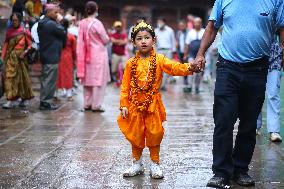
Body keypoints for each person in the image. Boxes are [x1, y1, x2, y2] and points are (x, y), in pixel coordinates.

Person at [194, 0, 284, 188]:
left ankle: (240, 169)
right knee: (223, 120)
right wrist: (200, 53)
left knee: (249, 123)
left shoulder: (275, 1)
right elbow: (212, 27)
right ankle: (221, 172)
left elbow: (282, 29)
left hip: (257, 68)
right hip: (228, 67)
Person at [117, 20, 201, 179]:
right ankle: (136, 163)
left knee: (155, 133)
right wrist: (123, 105)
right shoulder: (130, 64)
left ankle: (155, 164)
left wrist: (189, 67)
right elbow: (125, 86)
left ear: (153, 40)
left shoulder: (160, 59)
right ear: (134, 42)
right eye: (139, 38)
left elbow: (174, 68)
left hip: (152, 105)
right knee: (136, 135)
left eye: (147, 38)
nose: (143, 41)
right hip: (134, 105)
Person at [77, 1, 110, 112]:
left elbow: (79, 40)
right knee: (98, 80)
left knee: (87, 80)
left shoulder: (82, 23)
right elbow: (105, 39)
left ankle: (87, 104)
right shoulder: (97, 23)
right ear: (96, 10)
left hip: (85, 54)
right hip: (98, 54)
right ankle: (96, 105)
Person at [1, 12, 34, 109]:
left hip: (21, 60)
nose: (14, 22)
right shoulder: (9, 32)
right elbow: (5, 46)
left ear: (20, 20)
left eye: (16, 20)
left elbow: (30, 45)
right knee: (9, 78)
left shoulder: (24, 32)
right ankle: (10, 100)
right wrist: (2, 58)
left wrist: (24, 53)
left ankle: (23, 99)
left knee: (21, 80)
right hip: (10, 59)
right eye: (13, 20)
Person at [38, 3, 66, 110]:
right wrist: (60, 21)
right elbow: (63, 32)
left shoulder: (44, 22)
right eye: (55, 12)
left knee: (48, 79)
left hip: (48, 54)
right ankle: (45, 102)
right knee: (49, 80)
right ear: (48, 12)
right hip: (51, 55)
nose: (57, 14)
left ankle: (45, 101)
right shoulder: (50, 24)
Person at [257, 35, 283, 143]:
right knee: (255, 94)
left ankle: (274, 131)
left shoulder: (278, 17)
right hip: (255, 58)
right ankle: (254, 126)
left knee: (273, 95)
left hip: (275, 58)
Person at [56, 19, 76, 100]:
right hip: (68, 57)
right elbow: (74, 50)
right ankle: (69, 94)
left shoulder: (57, 36)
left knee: (57, 75)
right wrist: (75, 59)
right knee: (68, 75)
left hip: (58, 56)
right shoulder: (71, 36)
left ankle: (55, 93)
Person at [183, 17, 205, 93]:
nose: (197, 24)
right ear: (194, 24)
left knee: (199, 71)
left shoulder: (204, 32)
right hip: (191, 54)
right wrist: (185, 54)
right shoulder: (190, 32)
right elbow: (187, 44)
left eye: (198, 22)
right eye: (195, 22)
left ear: (201, 23)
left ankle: (197, 87)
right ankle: (189, 86)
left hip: (200, 54)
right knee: (190, 69)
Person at [154, 17, 176, 91]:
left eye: (160, 22)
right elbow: (153, 42)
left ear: (164, 22)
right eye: (158, 22)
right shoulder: (155, 31)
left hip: (168, 50)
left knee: (166, 68)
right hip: (159, 50)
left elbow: (173, 41)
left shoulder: (170, 30)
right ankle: (159, 84)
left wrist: (174, 52)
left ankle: (163, 85)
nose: (159, 24)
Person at [110, 21, 128, 85]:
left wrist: (117, 41)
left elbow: (125, 42)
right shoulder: (113, 34)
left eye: (119, 27)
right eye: (117, 27)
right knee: (114, 70)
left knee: (125, 68)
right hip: (115, 54)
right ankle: (117, 80)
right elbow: (113, 41)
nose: (118, 28)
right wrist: (120, 41)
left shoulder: (124, 34)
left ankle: (123, 80)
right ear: (115, 27)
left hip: (123, 54)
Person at [176, 20, 189, 91]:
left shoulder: (188, 32)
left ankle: (187, 80)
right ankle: (185, 80)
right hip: (180, 52)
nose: (181, 27)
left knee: (186, 66)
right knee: (182, 66)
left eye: (182, 25)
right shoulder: (178, 33)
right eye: (180, 26)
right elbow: (178, 41)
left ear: (185, 26)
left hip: (186, 52)